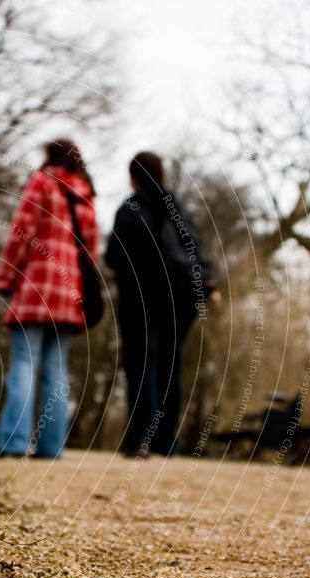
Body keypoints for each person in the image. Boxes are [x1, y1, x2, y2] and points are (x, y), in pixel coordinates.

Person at [0, 139, 98, 459]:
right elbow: (90, 252)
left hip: (37, 286)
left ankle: (14, 441)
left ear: (50, 156)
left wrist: (5, 277)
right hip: (69, 293)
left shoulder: (42, 182)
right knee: (56, 370)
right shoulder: (86, 196)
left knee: (24, 362)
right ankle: (51, 447)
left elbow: (21, 231)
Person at [105, 152, 221, 458]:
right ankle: (166, 440)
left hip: (141, 300)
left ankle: (141, 437)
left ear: (133, 176)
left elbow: (114, 256)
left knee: (142, 363)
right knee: (170, 364)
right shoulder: (178, 208)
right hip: (181, 297)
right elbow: (195, 246)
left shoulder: (130, 209)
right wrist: (208, 281)